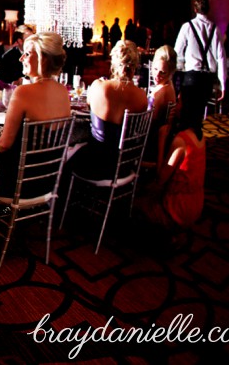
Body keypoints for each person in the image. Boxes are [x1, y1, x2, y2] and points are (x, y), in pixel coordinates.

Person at [0, 32, 71, 196]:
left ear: (44, 59)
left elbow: (4, 145)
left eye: (27, 54)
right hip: (49, 179)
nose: (21, 59)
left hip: (17, 183)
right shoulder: (63, 91)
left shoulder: (23, 92)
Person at [66, 40, 149, 181]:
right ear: (135, 65)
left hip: (95, 163)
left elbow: (88, 106)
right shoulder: (141, 96)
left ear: (113, 63)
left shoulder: (98, 86)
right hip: (124, 164)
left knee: (66, 155)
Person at [140, 88, 206, 237]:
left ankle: (168, 234)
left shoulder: (182, 140)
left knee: (135, 208)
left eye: (179, 102)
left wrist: (162, 139)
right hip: (196, 203)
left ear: (187, 108)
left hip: (179, 208)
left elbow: (161, 178)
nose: (176, 105)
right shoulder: (200, 136)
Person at [174, 0, 226, 118]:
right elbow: (221, 58)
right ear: (208, 9)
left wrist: (179, 70)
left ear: (195, 9)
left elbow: (177, 53)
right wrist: (222, 84)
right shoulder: (216, 29)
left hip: (191, 77)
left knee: (187, 115)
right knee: (199, 115)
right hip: (207, 80)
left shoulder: (187, 27)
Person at [146, 45, 177, 166]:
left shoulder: (162, 92)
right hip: (154, 140)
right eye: (155, 69)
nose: (157, 75)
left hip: (149, 146)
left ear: (170, 72)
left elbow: (148, 123)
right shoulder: (168, 85)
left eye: (162, 73)